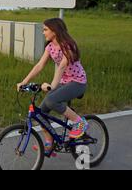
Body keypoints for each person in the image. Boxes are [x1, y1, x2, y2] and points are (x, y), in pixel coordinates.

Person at [17, 18, 88, 156]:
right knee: (41, 113)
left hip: (77, 82)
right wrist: (23, 82)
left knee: (51, 100)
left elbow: (62, 66)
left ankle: (80, 123)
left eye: (45, 29)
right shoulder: (50, 47)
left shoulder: (68, 45)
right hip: (63, 82)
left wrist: (52, 85)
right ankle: (49, 144)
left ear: (54, 31)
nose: (43, 32)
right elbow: (39, 65)